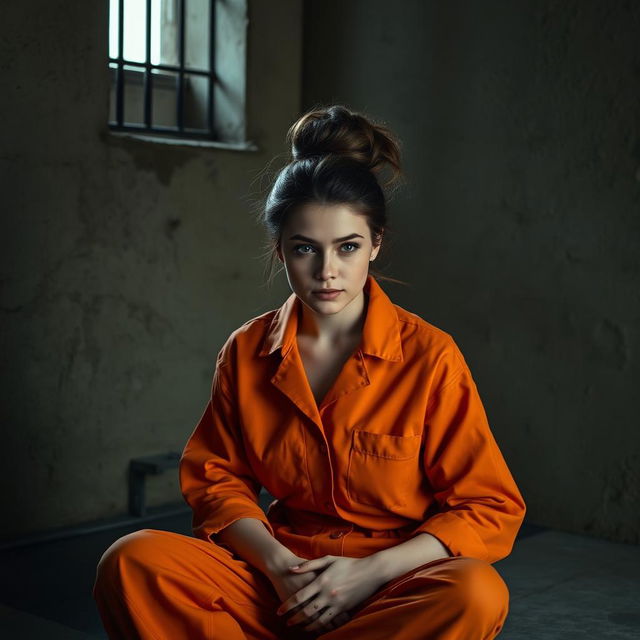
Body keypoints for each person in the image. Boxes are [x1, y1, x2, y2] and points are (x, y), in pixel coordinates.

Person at [93, 104, 526, 640]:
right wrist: (280, 569)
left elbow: (487, 504)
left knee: (476, 593)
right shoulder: (248, 350)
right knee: (133, 560)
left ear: (376, 245)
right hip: (280, 579)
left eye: (348, 247)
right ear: (280, 250)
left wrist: (366, 574)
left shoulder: (430, 355)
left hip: (388, 589)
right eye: (305, 249)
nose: (327, 272)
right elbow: (216, 479)